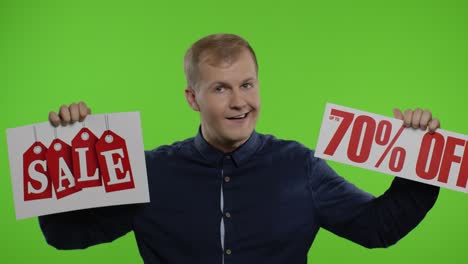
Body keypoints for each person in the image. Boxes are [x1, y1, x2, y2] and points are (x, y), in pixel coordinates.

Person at [40, 33, 441, 264]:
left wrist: (420, 166)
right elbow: (65, 235)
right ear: (192, 98)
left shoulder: (300, 167)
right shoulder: (147, 172)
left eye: (247, 85)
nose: (239, 102)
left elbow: (377, 228)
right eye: (220, 88)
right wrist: (64, 157)